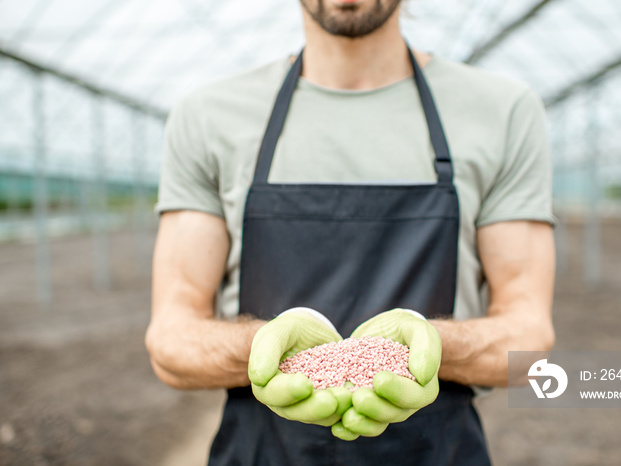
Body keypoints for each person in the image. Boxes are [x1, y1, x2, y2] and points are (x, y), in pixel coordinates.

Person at [146, 0, 556, 464]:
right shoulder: (209, 116)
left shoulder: (501, 111)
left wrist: (433, 346)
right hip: (261, 449)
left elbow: (530, 336)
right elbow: (170, 338)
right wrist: (262, 346)